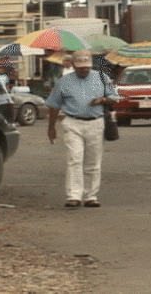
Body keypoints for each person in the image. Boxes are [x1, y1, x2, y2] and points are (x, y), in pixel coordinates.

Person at [45, 49, 118, 208]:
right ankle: (74, 195)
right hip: (72, 122)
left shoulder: (101, 77)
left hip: (95, 122)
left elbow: (114, 99)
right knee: (75, 158)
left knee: (93, 161)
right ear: (73, 65)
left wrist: (103, 100)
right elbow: (54, 106)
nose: (84, 70)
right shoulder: (64, 81)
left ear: (91, 65)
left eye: (86, 67)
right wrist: (51, 128)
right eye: (80, 67)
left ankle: (91, 196)